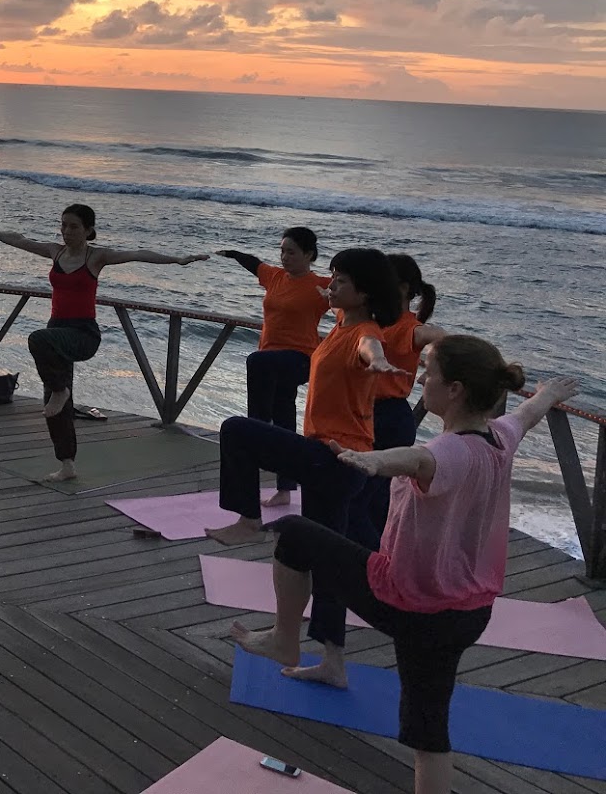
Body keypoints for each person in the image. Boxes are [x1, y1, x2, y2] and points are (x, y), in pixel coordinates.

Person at [230, 337, 578, 794]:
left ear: (454, 390)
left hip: (410, 603)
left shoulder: (449, 452)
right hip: (469, 611)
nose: (422, 379)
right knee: (428, 730)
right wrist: (548, 394)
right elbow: (526, 415)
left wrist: (370, 459)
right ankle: (304, 650)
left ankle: (284, 638)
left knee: (294, 534)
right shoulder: (501, 436)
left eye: (429, 373)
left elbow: (416, 459)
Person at [206, 247, 406, 683]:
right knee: (323, 560)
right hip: (339, 464)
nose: (330, 285)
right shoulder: (341, 322)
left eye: (340, 281)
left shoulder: (363, 332)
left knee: (237, 430)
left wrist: (379, 361)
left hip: (336, 460)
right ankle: (332, 662)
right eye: (331, 276)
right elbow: (331, 310)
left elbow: (369, 347)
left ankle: (248, 519)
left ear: (364, 293)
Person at [0, 204, 207, 480]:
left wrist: (177, 259)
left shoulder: (96, 257)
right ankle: (67, 464)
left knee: (38, 344)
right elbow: (20, 240)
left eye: (74, 226)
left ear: (88, 230)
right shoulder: (55, 252)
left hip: (83, 334)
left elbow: (138, 254)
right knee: (53, 404)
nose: (66, 231)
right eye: (63, 225)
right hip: (57, 332)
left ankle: (60, 391)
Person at [216, 228, 330, 507]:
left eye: (291, 252)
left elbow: (356, 292)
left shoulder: (320, 286)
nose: (284, 257)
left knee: (257, 363)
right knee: (284, 419)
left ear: (309, 255)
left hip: (300, 358)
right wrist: (232, 253)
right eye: (282, 251)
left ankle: (256, 424)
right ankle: (285, 489)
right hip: (271, 363)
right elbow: (254, 264)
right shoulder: (275, 277)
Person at [350, 253, 444, 547]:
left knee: (359, 501)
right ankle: (379, 561)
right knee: (374, 502)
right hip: (367, 414)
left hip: (389, 418)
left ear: (402, 289)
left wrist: (437, 367)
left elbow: (440, 336)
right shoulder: (373, 321)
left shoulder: (408, 328)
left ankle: (374, 564)